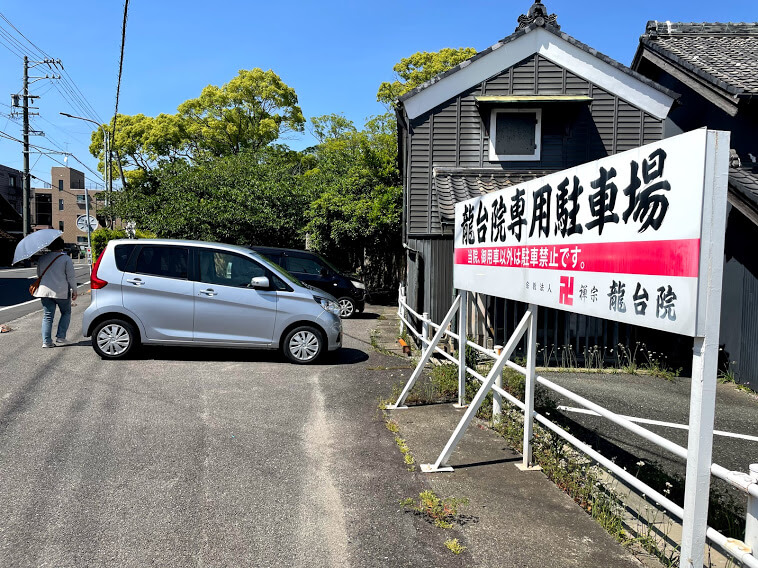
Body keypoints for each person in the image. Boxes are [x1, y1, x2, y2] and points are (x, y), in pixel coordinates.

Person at [32, 237, 78, 348]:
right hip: (61, 291)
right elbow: (71, 277)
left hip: (45, 291)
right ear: (62, 246)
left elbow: (39, 274)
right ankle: (61, 337)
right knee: (66, 312)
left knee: (47, 316)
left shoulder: (42, 258)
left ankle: (46, 342)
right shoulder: (66, 258)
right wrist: (74, 290)